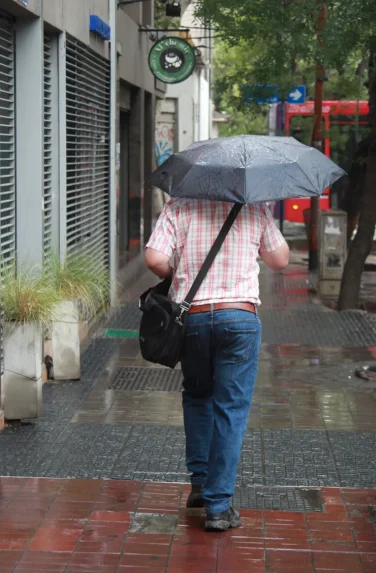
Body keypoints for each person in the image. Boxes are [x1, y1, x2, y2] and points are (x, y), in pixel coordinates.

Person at [145, 198, 289, 531]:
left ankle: (199, 485)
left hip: (193, 319)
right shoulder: (253, 207)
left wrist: (178, 271)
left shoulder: (179, 206)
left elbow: (154, 259)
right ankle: (219, 507)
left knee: (197, 396)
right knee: (231, 407)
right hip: (239, 317)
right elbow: (280, 259)